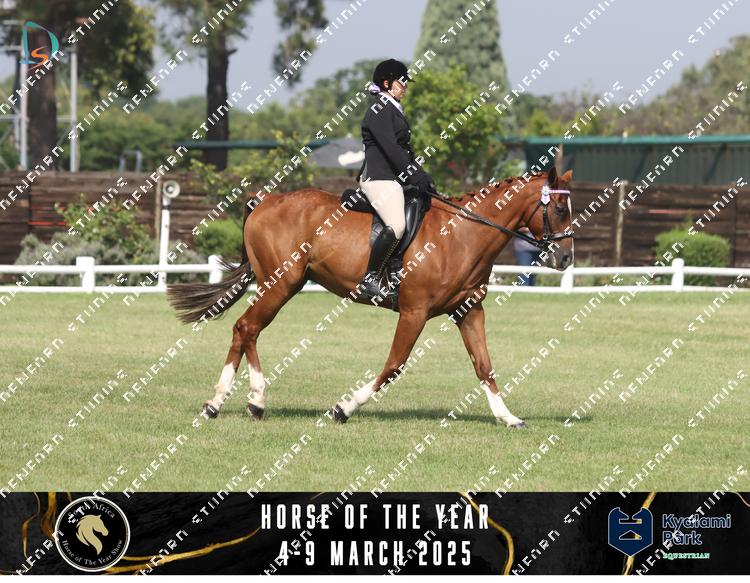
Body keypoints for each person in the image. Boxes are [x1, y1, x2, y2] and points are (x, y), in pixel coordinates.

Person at [355, 58, 436, 299]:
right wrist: (415, 175)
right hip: (379, 178)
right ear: (387, 83)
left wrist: (421, 176)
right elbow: (391, 150)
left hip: (394, 179)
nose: (405, 87)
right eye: (402, 83)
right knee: (397, 224)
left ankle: (396, 266)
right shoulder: (379, 109)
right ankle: (370, 278)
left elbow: (404, 151)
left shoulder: (392, 108)